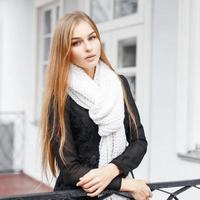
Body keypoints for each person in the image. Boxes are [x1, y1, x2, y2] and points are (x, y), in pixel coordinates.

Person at [41, 10, 153, 200]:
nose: (88, 47)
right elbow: (69, 168)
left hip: (116, 195)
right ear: (64, 50)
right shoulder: (60, 95)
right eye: (76, 42)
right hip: (75, 195)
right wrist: (123, 184)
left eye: (92, 38)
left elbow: (139, 142)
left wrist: (111, 170)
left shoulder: (119, 84)